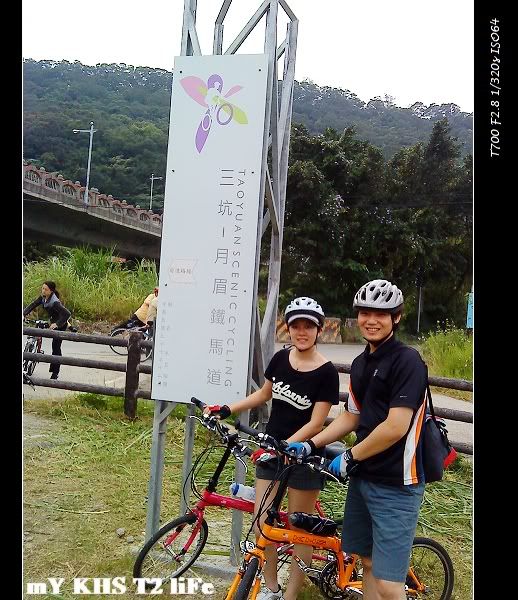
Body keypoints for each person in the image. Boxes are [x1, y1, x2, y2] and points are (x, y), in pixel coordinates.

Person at [288, 279, 427, 600]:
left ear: (397, 318)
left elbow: (396, 426)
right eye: (365, 313)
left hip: (397, 483)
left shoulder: (408, 361)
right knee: (367, 562)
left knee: (390, 583)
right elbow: (351, 416)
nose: (371, 320)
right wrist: (311, 443)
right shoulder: (361, 363)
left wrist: (350, 456)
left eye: (381, 314)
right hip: (363, 478)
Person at [205, 297, 339, 600]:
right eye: (296, 326)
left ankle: (291, 595)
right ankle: (272, 587)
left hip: (304, 457)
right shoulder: (280, 359)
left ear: (319, 330)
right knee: (262, 522)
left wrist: (288, 447)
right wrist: (227, 408)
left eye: (308, 326)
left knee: (299, 530)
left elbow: (317, 423)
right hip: (272, 450)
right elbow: (264, 394)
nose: (302, 332)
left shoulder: (327, 372)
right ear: (288, 328)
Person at [23, 280, 71, 380]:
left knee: (56, 347)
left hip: (60, 324)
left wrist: (57, 324)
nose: (43, 291)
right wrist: (23, 314)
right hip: (52, 321)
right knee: (36, 329)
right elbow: (33, 304)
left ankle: (55, 372)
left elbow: (67, 314)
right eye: (43, 288)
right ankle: (33, 350)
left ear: (51, 291)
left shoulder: (55, 302)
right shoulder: (43, 298)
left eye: (46, 289)